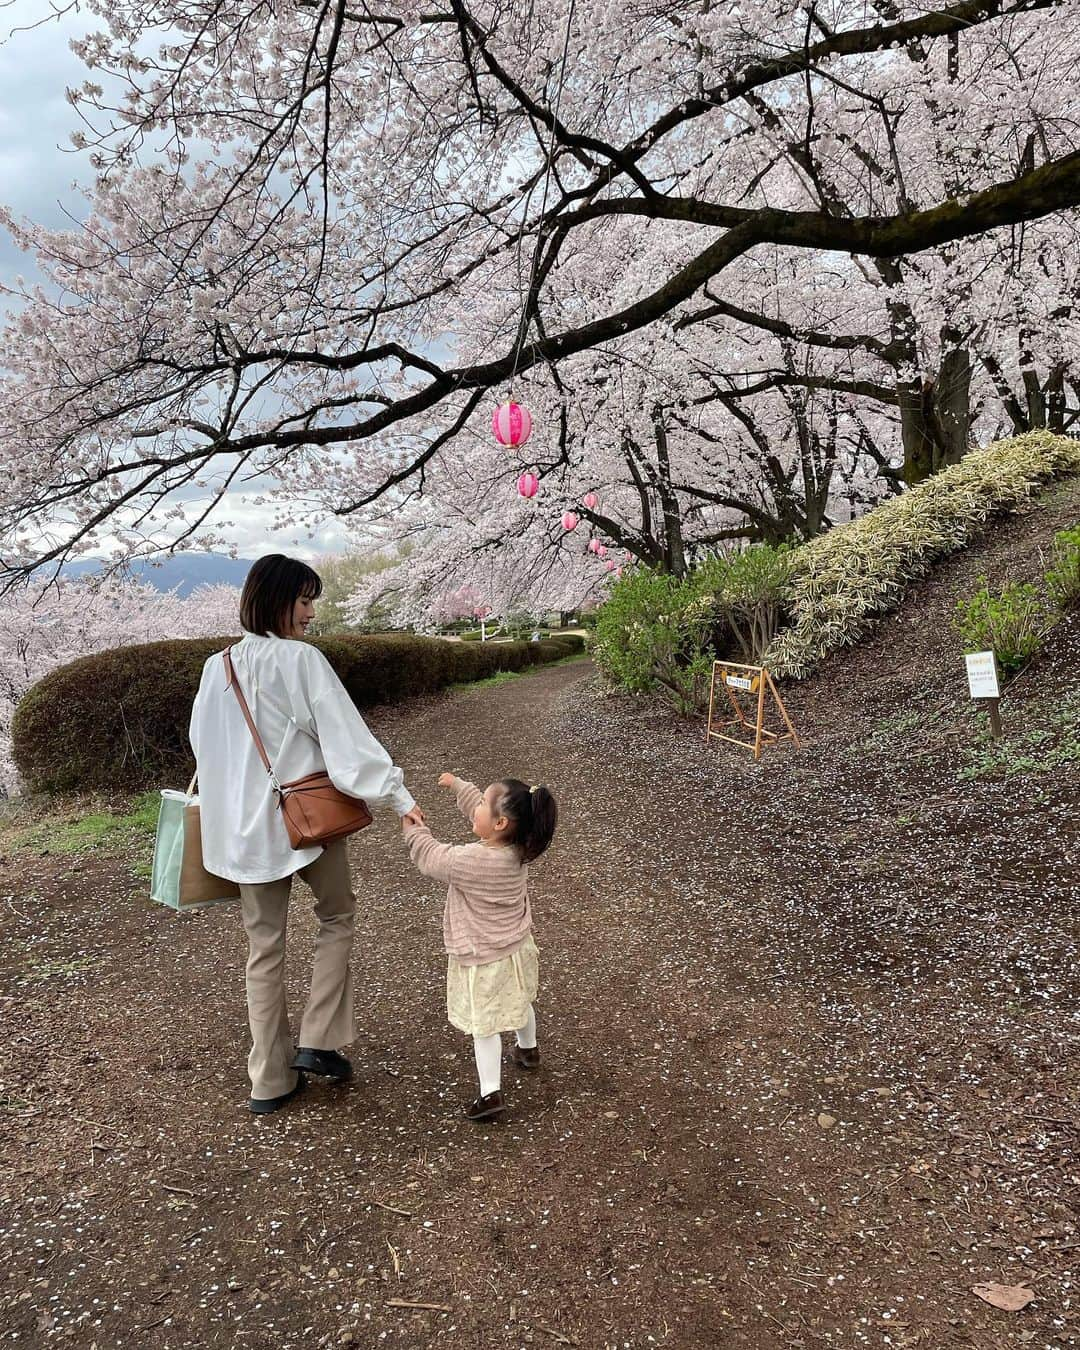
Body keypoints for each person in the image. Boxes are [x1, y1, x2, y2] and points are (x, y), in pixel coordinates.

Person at [189, 554, 422, 1115]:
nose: (312, 612)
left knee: (263, 949)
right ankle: (318, 1038)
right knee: (337, 915)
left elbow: (204, 747)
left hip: (245, 833)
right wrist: (399, 798)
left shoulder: (215, 668)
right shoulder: (301, 661)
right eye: (305, 600)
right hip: (306, 820)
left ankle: (269, 1080)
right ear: (278, 600)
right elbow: (347, 743)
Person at [402, 772, 557, 1121]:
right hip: (516, 947)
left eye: (485, 805)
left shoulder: (472, 861)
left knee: (484, 1026)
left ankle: (491, 1094)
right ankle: (528, 1050)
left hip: (484, 957)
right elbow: (479, 810)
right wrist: (461, 788)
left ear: (501, 822)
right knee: (520, 1000)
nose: (477, 809)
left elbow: (431, 858)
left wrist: (413, 828)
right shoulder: (519, 847)